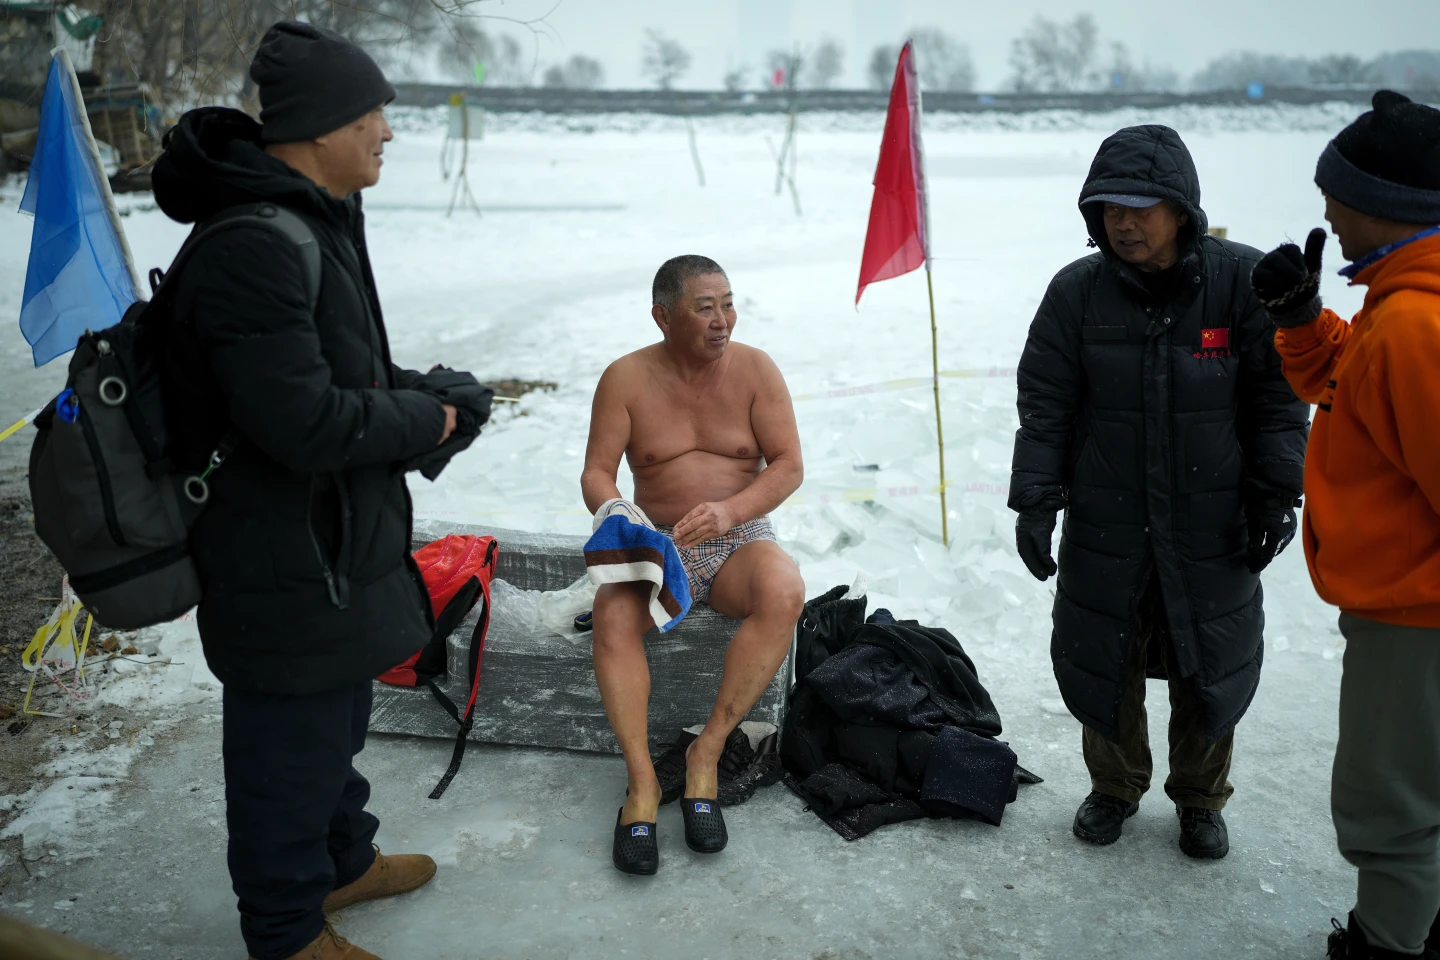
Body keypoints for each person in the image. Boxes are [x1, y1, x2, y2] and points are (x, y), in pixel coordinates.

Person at [149, 21, 489, 960]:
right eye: (374, 113)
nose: (387, 131)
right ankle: (289, 933)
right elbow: (300, 423)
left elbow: (343, 372)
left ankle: (343, 861)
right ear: (321, 125)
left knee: (333, 727)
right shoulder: (255, 243)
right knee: (284, 757)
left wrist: (428, 391)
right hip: (279, 553)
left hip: (335, 545)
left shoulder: (314, 220)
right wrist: (434, 424)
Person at [1008, 124, 1309, 860]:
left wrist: (1277, 494)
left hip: (1213, 522)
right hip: (1107, 520)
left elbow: (1277, 400)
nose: (1124, 220)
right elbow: (1046, 403)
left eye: (1142, 206)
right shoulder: (1076, 292)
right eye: (1110, 206)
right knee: (1102, 656)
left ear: (1181, 209)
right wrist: (1037, 500)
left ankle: (1201, 799)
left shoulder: (1240, 283)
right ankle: (1113, 788)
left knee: (1207, 664)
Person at [1251, 90, 1440, 960]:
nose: (1323, 207)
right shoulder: (1401, 301)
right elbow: (1351, 389)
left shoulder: (1413, 324)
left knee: (1389, 800)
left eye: (1337, 192)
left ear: (1387, 206)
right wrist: (1301, 322)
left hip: (1417, 617)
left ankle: (1389, 945)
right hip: (1412, 606)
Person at [580, 255, 805, 874]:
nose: (722, 320)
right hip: (659, 543)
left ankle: (706, 755)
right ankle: (644, 785)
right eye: (704, 307)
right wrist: (619, 515)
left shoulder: (756, 370)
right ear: (662, 316)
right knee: (612, 618)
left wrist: (732, 511)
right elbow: (597, 471)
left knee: (784, 590)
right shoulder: (625, 378)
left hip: (739, 537)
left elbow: (788, 464)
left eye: (728, 303)